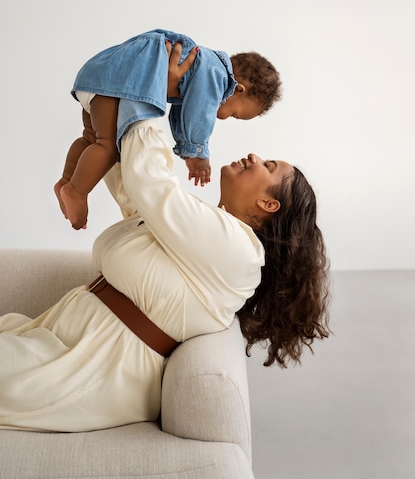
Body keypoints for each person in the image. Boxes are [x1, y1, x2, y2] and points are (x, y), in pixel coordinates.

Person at [0, 46, 329, 432]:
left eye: (269, 166)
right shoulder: (210, 234)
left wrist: (149, 92)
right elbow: (138, 200)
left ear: (268, 203)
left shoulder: (240, 253)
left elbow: (151, 187)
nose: (255, 156)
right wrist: (106, 126)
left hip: (86, 371)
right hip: (58, 341)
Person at [54, 28, 282, 230]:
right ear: (238, 90)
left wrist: (185, 150)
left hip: (101, 74)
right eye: (234, 114)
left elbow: (181, 113)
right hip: (117, 83)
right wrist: (198, 153)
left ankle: (66, 181)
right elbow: (199, 112)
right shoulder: (216, 74)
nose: (224, 118)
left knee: (90, 139)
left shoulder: (201, 66)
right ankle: (77, 191)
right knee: (107, 146)